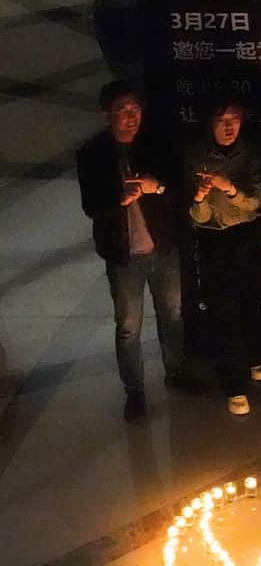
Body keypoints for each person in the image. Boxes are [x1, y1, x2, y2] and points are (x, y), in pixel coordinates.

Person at [77, 81, 194, 422]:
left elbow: (177, 189)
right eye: (123, 110)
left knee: (172, 315)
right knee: (128, 327)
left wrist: (154, 186)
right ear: (106, 113)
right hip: (123, 255)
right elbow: (91, 207)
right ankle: (135, 391)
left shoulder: (156, 143)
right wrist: (120, 199)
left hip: (163, 247)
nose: (132, 117)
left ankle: (176, 373)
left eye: (136, 110)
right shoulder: (92, 154)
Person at [186, 98, 261, 416]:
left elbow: (253, 203)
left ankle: (255, 357)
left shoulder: (251, 152)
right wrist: (202, 196)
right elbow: (198, 216)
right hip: (212, 240)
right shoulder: (195, 155)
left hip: (246, 235)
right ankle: (234, 384)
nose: (229, 126)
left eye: (235, 119)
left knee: (251, 302)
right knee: (223, 312)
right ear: (210, 123)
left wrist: (229, 187)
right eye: (222, 120)